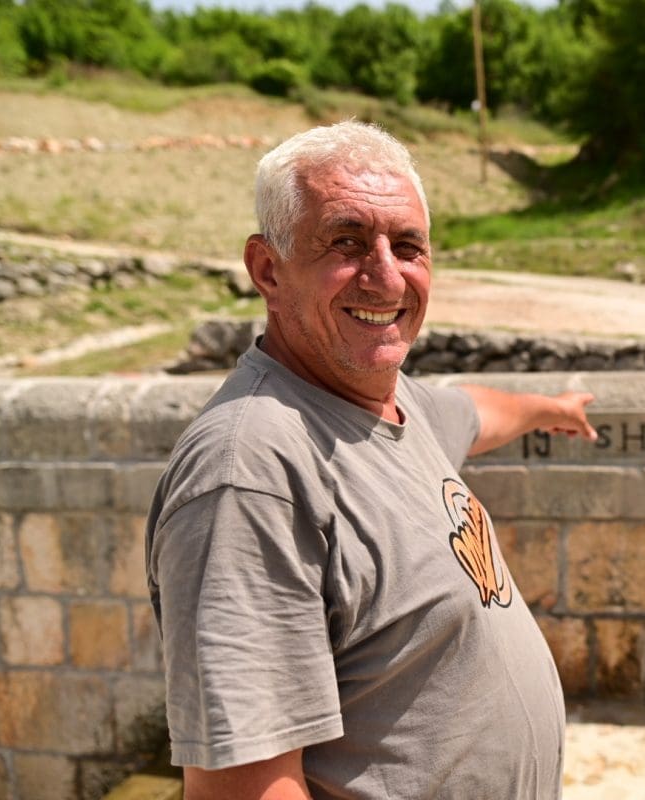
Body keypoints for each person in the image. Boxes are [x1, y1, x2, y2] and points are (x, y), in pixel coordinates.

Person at [145, 121, 597, 800]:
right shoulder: (250, 473)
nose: (386, 277)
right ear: (267, 269)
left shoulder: (392, 405)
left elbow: (475, 412)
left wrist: (547, 408)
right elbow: (242, 788)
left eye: (407, 247)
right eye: (347, 242)